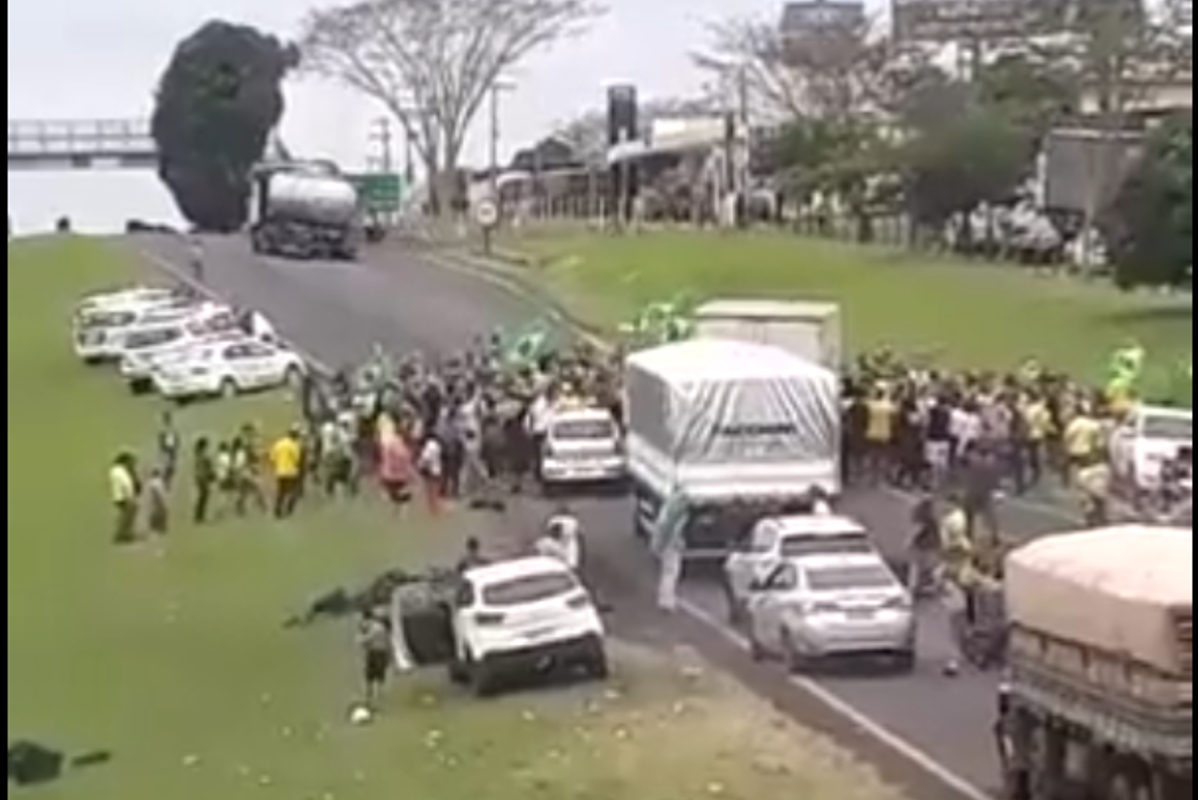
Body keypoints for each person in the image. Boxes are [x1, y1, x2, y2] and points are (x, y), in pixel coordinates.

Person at [356, 607, 392, 709]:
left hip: (376, 653)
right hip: (381, 653)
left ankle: (370, 699)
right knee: (379, 677)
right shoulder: (380, 627)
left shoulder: (375, 628)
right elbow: (388, 642)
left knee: (371, 677)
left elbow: (366, 640)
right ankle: (377, 699)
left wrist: (360, 637)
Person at [268, 426, 303, 518]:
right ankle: (289, 509)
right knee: (294, 491)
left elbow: (272, 457)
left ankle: (277, 510)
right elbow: (297, 459)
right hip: (291, 471)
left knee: (281, 492)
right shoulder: (294, 445)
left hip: (280, 471)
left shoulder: (278, 444)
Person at [109, 451, 139, 543]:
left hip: (119, 496)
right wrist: (131, 498)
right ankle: (122, 535)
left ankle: (124, 534)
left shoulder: (115, 470)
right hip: (124, 497)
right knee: (127, 517)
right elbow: (127, 484)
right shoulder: (120, 471)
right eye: (131, 462)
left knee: (126, 516)